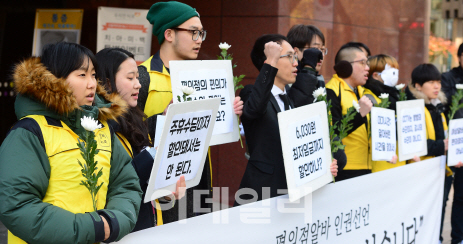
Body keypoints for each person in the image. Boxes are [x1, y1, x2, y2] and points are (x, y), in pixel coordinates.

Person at [0, 42, 142, 243]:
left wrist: (113, 222)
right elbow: (17, 205)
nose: (92, 83)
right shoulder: (29, 132)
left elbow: (126, 185)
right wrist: (92, 227)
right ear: (55, 79)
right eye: (82, 75)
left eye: (93, 75)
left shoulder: (101, 129)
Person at [137, 1, 243, 220]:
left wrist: (230, 112)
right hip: (160, 191)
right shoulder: (142, 77)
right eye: (194, 33)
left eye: (201, 33)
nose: (199, 40)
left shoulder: (202, 75)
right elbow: (128, 135)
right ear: (169, 34)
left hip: (199, 182)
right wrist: (164, 120)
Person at [235, 34, 338, 206]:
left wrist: (323, 165)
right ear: (271, 59)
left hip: (289, 197)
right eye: (289, 56)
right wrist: (271, 62)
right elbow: (254, 108)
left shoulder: (289, 99)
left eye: (295, 57)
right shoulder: (251, 93)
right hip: (262, 195)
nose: (295, 63)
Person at [96, 48, 186, 231]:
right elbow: (116, 184)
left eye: (137, 78)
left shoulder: (137, 121)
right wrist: (153, 155)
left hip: (148, 226)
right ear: (107, 82)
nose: (138, 85)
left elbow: (145, 187)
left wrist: (166, 193)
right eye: (130, 78)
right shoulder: (99, 129)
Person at [326, 46, 373, 181]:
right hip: (346, 169)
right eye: (362, 63)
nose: (367, 68)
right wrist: (359, 114)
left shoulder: (363, 91)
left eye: (367, 63)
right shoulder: (331, 91)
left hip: (367, 165)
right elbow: (333, 133)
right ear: (345, 66)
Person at [364, 54, 404, 172]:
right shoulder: (369, 96)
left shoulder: (395, 95)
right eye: (392, 72)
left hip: (397, 162)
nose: (395, 76)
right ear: (375, 75)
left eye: (396, 71)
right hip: (380, 165)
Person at [440, 43, 463, 244]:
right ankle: (436, 236)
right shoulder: (447, 78)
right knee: (443, 195)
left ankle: (458, 238)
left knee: (462, 197)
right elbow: (446, 105)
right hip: (450, 143)